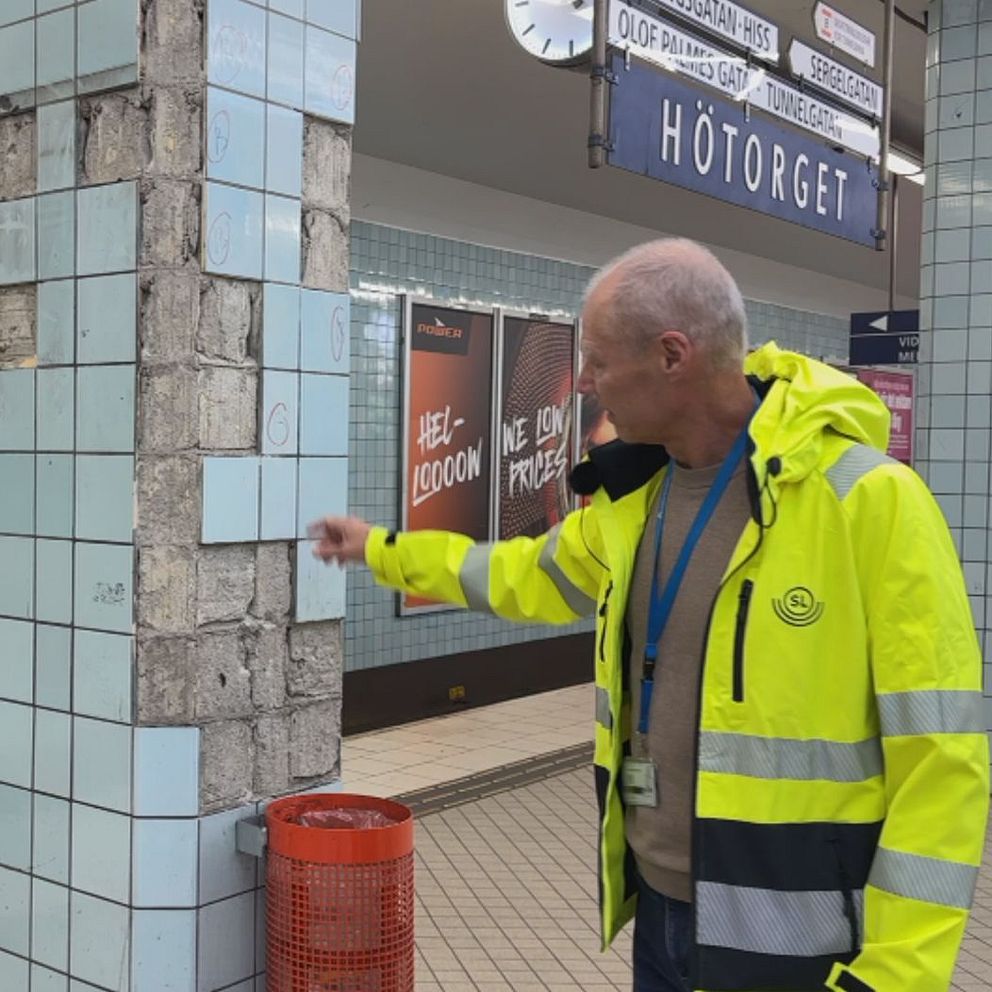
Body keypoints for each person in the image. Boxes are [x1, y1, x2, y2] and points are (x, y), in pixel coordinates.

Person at [310, 238, 990, 992]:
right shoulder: (638, 499)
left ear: (672, 355)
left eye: (598, 361)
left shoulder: (870, 501)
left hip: (804, 936)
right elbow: (524, 575)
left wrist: (897, 976)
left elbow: (944, 757)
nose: (585, 384)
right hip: (663, 913)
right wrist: (383, 550)